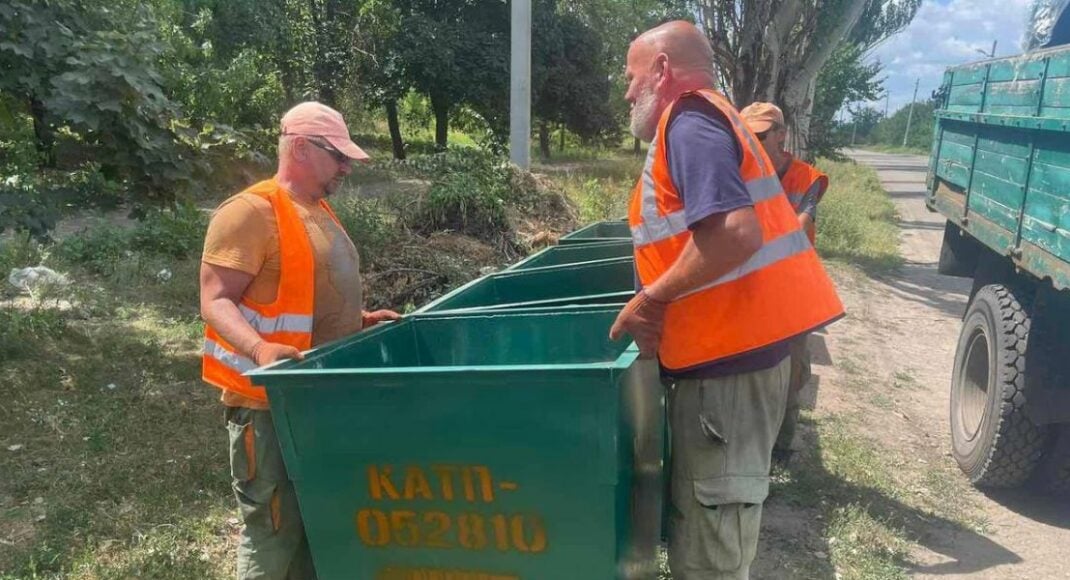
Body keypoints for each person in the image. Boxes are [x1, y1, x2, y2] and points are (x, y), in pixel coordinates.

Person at [608, 21, 844, 579]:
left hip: (728, 379)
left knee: (712, 555)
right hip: (724, 368)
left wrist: (651, 303)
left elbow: (735, 234)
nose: (625, 91)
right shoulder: (705, 120)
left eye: (631, 75)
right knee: (703, 531)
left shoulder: (689, 120)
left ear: (662, 70)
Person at [200, 101, 400, 579]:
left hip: (318, 398)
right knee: (272, 532)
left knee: (317, 523)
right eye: (339, 156)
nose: (347, 167)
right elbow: (215, 299)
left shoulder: (317, 209)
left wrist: (356, 322)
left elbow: (303, 292)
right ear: (303, 149)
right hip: (270, 405)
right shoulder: (251, 211)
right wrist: (261, 351)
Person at [740, 102, 830, 463]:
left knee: (792, 368)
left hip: (793, 286)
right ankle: (750, 441)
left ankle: (781, 447)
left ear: (781, 134)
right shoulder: (738, 172)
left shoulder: (805, 179)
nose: (755, 142)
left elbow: (798, 226)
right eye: (748, 135)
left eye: (761, 135)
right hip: (752, 283)